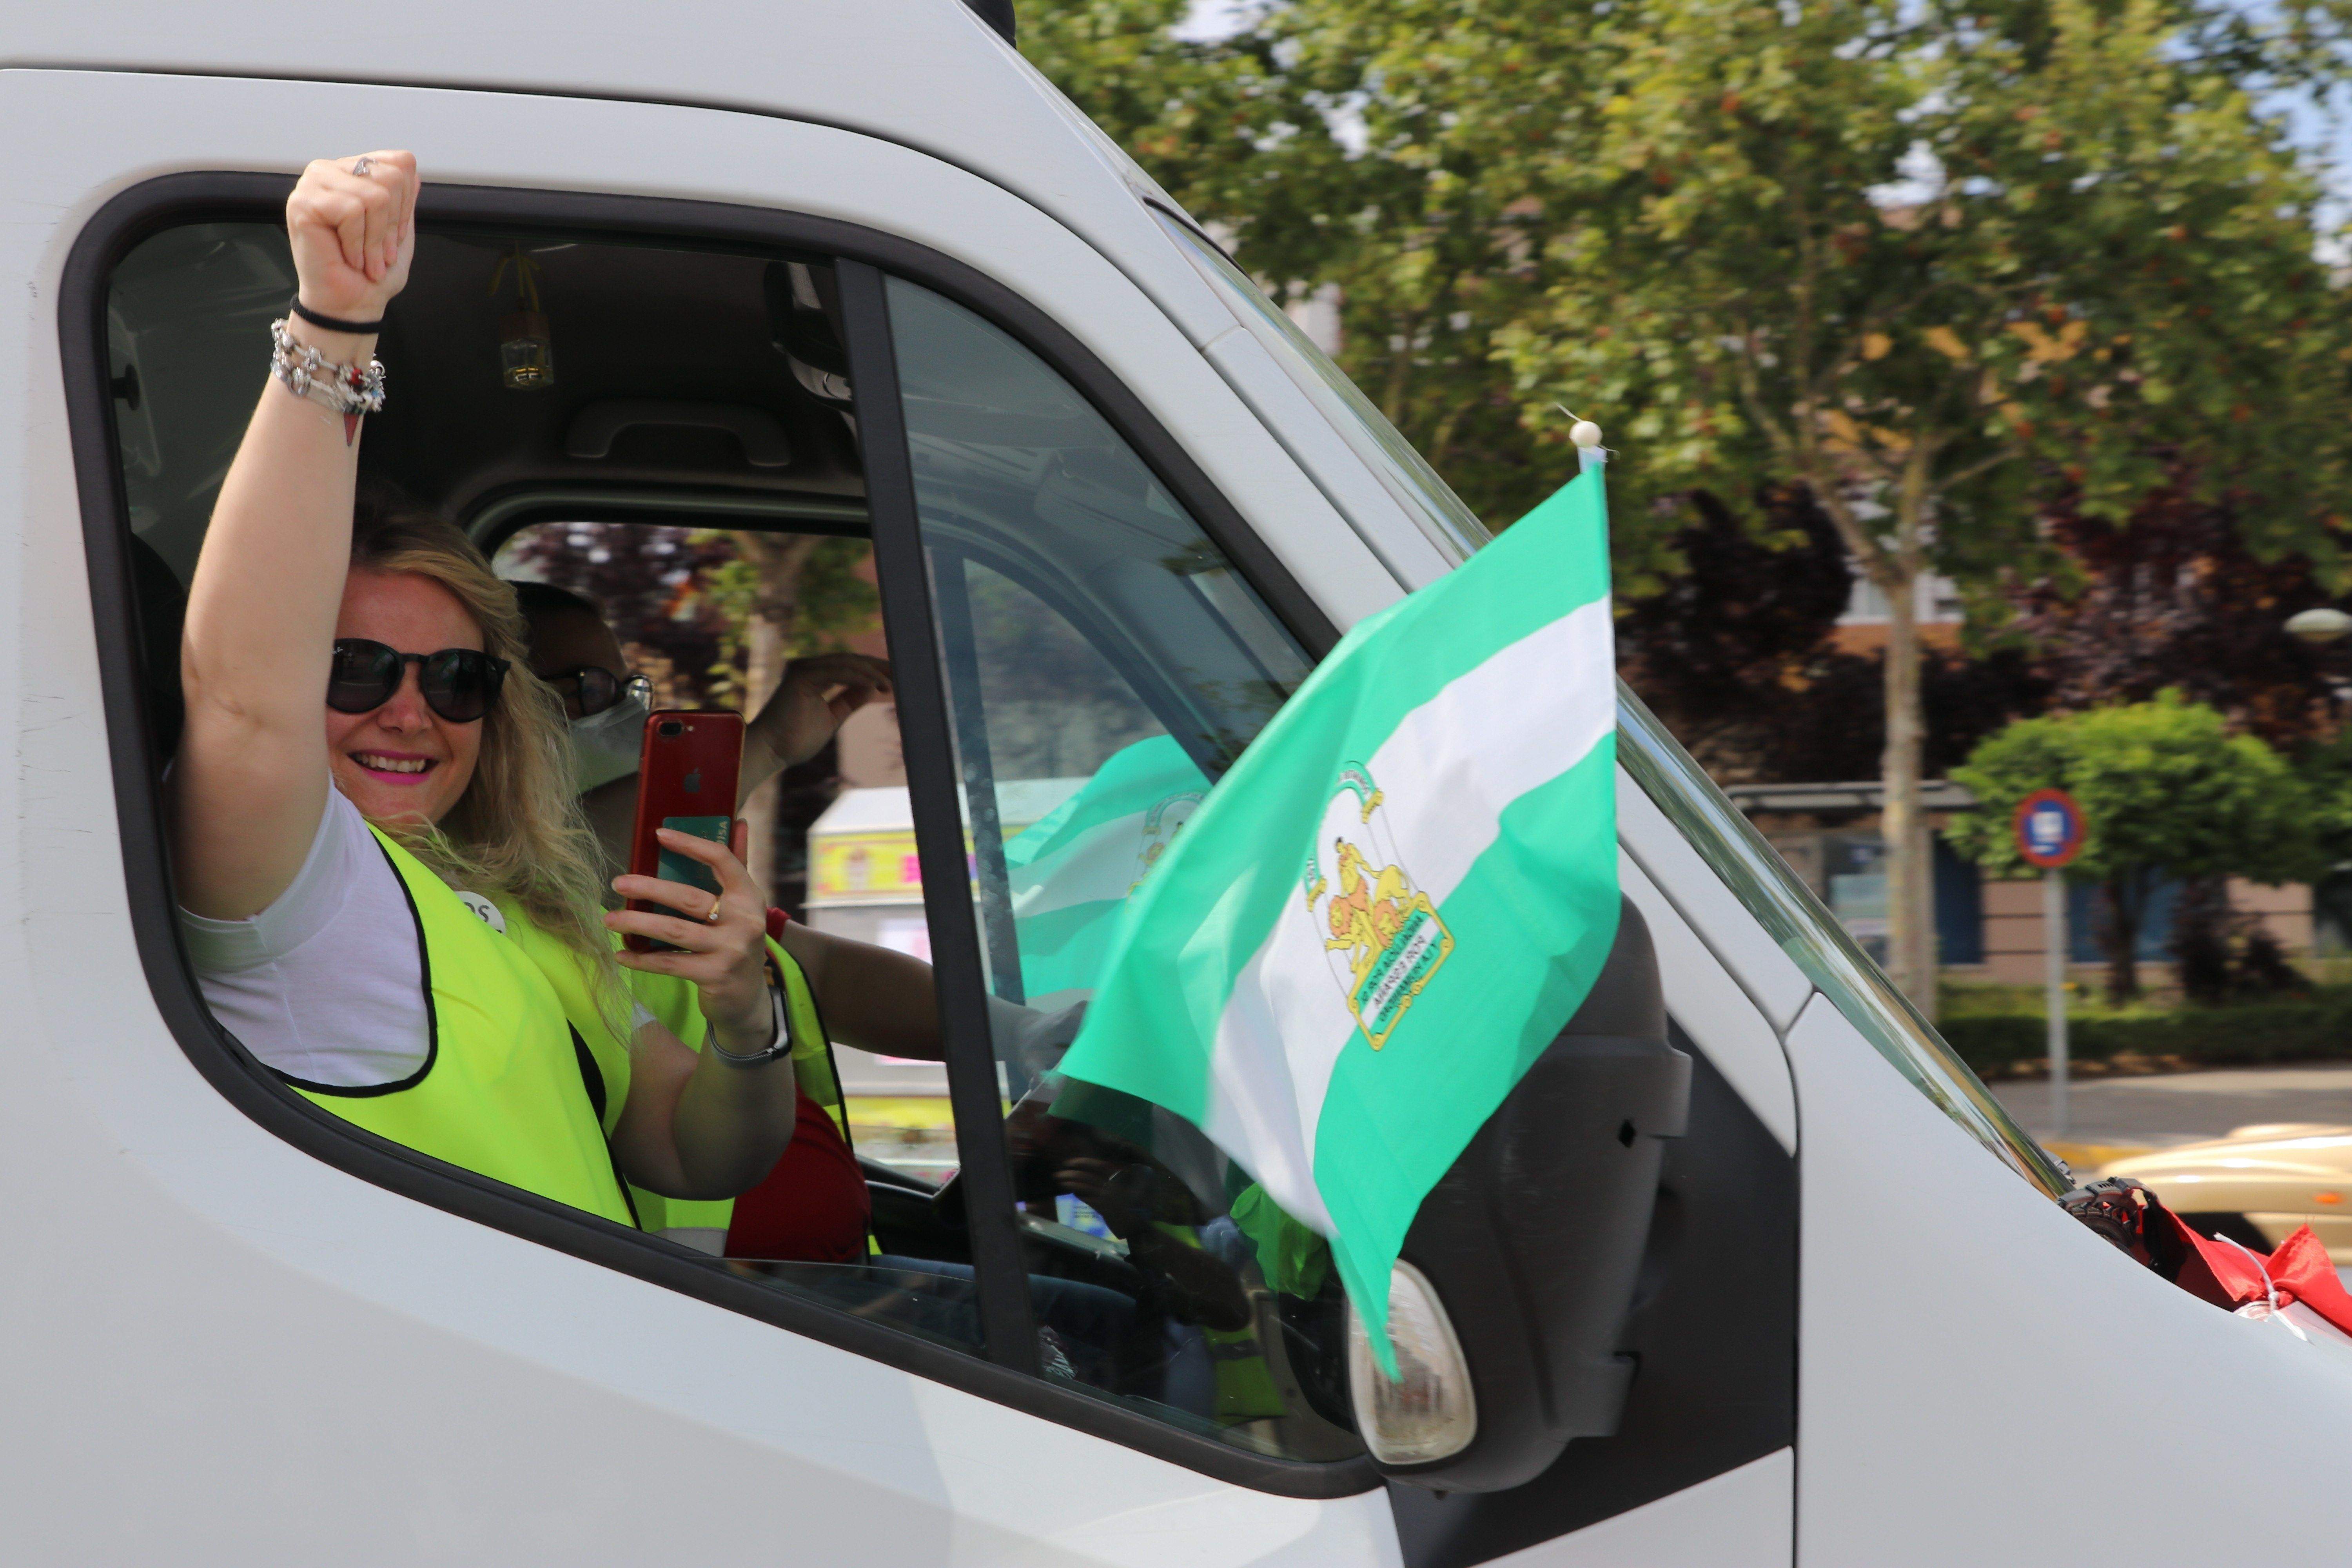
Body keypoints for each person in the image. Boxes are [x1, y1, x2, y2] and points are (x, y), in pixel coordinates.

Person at [173, 150, 800, 1225]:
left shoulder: (515, 916)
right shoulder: (296, 900)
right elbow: (241, 697)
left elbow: (700, 1161)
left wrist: (747, 1021)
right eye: (353, 668)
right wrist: (334, 324)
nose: (410, 710)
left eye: (457, 679)